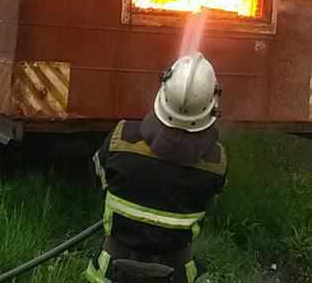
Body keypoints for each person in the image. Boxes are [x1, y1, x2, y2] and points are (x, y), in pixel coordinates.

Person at [85, 52, 227, 283]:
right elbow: (209, 208)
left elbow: (98, 180)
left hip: (111, 272)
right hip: (177, 275)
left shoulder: (120, 137)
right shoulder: (216, 163)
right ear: (212, 104)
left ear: (163, 91)